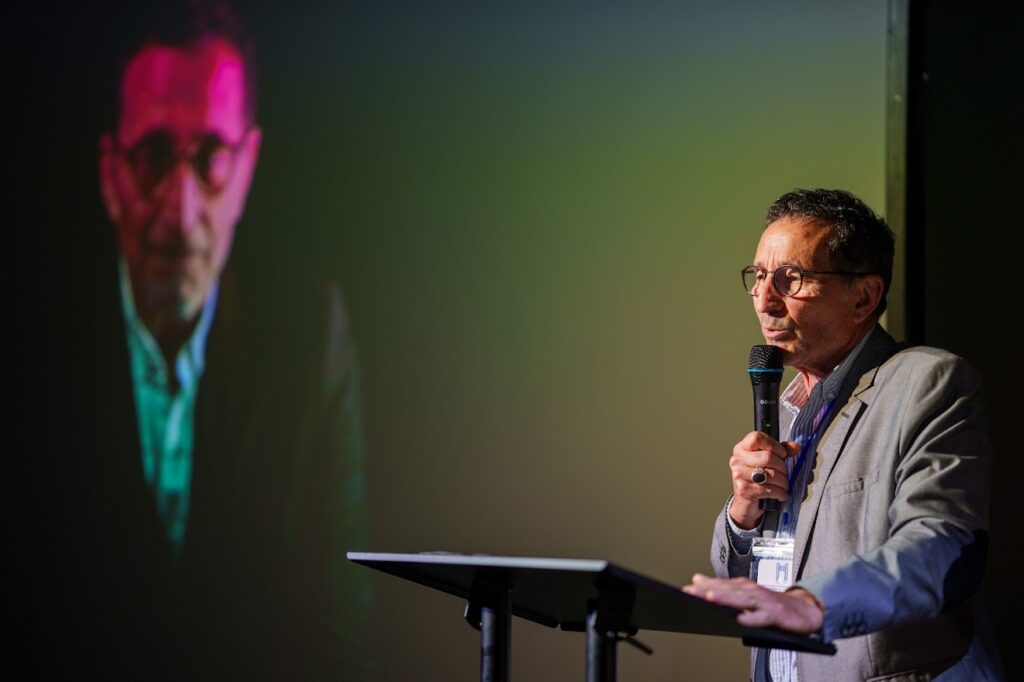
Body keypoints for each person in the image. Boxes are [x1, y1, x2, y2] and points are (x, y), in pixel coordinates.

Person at [7, 2, 371, 679]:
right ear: (110, 172)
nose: (180, 209)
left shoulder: (312, 334)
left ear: (248, 168)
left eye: (209, 159)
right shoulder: (25, 340)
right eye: (152, 156)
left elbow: (340, 631)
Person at [683, 189, 1002, 680]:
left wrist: (815, 605)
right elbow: (755, 588)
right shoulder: (787, 411)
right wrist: (744, 515)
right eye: (760, 277)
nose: (766, 301)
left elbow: (942, 545)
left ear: (863, 297)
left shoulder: (926, 382)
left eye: (792, 279)